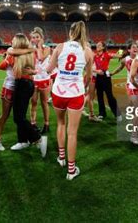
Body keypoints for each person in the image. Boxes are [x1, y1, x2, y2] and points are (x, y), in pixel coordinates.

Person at [47, 21, 93, 180]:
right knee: (72, 133)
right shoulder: (88, 51)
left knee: (61, 123)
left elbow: (48, 69)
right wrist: (82, 86)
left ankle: (61, 158)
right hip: (76, 93)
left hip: (58, 92)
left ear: (71, 32)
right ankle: (71, 170)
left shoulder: (59, 47)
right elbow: (89, 76)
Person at [8, 33, 48, 156]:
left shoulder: (24, 53)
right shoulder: (28, 51)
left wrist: (28, 70)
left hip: (23, 84)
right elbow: (10, 51)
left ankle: (38, 138)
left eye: (14, 39)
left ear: (18, 41)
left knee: (18, 117)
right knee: (21, 115)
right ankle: (23, 141)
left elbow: (23, 68)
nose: (12, 41)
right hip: (26, 83)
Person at [0, 43, 34, 151]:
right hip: (9, 88)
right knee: (5, 115)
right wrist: (8, 60)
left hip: (19, 88)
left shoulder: (22, 56)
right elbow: (1, 66)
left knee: (20, 116)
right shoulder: (11, 53)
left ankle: (24, 140)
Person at [30, 27, 51, 134]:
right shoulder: (29, 50)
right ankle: (33, 123)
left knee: (44, 103)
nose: (35, 39)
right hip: (33, 79)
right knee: (33, 102)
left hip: (44, 79)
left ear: (41, 38)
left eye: (37, 37)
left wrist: (38, 47)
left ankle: (46, 124)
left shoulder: (47, 48)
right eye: (33, 37)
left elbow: (41, 58)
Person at [94, 41, 122, 121]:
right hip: (98, 77)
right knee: (99, 96)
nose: (97, 46)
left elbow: (119, 55)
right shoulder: (95, 56)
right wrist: (96, 71)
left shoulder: (107, 54)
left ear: (103, 47)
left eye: (99, 45)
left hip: (106, 77)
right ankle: (102, 114)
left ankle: (118, 114)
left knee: (110, 96)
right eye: (97, 45)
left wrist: (121, 50)